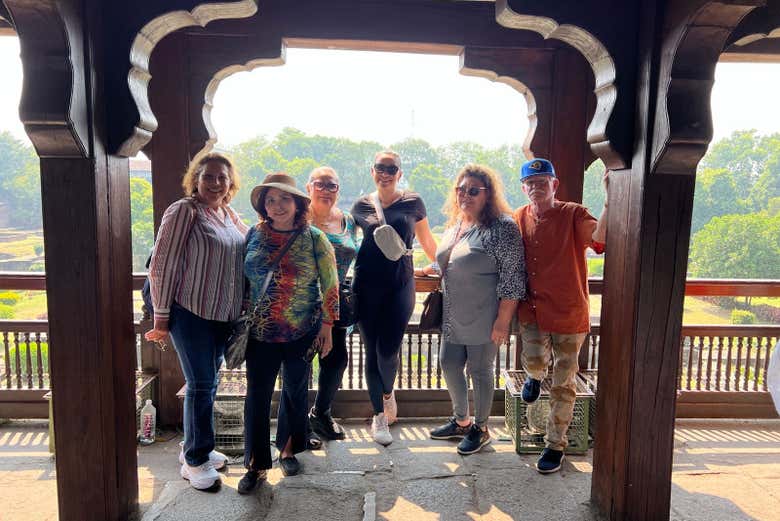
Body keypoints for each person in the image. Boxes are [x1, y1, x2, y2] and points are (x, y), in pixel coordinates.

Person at [144, 152, 247, 491]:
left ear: (231, 182)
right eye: (209, 177)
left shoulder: (230, 215)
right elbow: (163, 264)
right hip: (190, 312)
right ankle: (195, 460)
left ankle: (196, 445)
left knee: (208, 382)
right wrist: (161, 318)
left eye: (222, 177)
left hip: (222, 314)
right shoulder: (184, 211)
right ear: (196, 179)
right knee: (201, 383)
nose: (216, 183)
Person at [239, 172, 339, 493]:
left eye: (284, 199)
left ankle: (287, 450)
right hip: (260, 332)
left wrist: (327, 326)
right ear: (263, 206)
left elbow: (330, 285)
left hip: (302, 331)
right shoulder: (253, 236)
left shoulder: (314, 239)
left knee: (295, 392)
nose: (277, 205)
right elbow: (240, 280)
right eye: (271, 200)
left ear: (298, 204)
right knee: (257, 395)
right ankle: (255, 464)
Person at [420, 164, 526, 454]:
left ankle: (481, 428)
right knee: (449, 364)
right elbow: (450, 259)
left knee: (480, 371)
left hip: (485, 314)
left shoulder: (502, 227)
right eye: (461, 189)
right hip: (454, 315)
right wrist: (429, 269)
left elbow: (513, 277)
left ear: (488, 194)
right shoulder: (457, 225)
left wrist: (503, 322)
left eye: (473, 190)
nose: (465, 195)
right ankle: (461, 420)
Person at [513, 158, 608, 474]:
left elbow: (600, 240)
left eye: (543, 182)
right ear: (524, 188)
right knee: (535, 359)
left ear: (554, 185)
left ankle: (555, 445)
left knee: (564, 383)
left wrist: (608, 199)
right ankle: (534, 375)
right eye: (531, 183)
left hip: (568, 312)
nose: (536, 188)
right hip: (533, 309)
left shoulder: (574, 214)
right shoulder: (518, 218)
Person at [351, 150, 437, 446]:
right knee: (370, 350)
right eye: (380, 167)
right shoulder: (361, 206)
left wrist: (437, 266)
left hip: (401, 284)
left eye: (391, 168)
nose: (385, 173)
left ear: (399, 173)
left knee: (388, 351)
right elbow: (347, 242)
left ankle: (388, 393)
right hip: (366, 285)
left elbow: (426, 240)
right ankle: (379, 415)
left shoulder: (413, 202)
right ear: (372, 171)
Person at [306, 167, 358, 442]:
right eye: (320, 184)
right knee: (300, 362)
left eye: (332, 186)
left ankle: (321, 414)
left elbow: (359, 254)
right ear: (308, 188)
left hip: (336, 301)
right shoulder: (299, 217)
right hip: (303, 301)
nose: (325, 190)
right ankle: (298, 424)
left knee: (336, 360)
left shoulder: (348, 220)